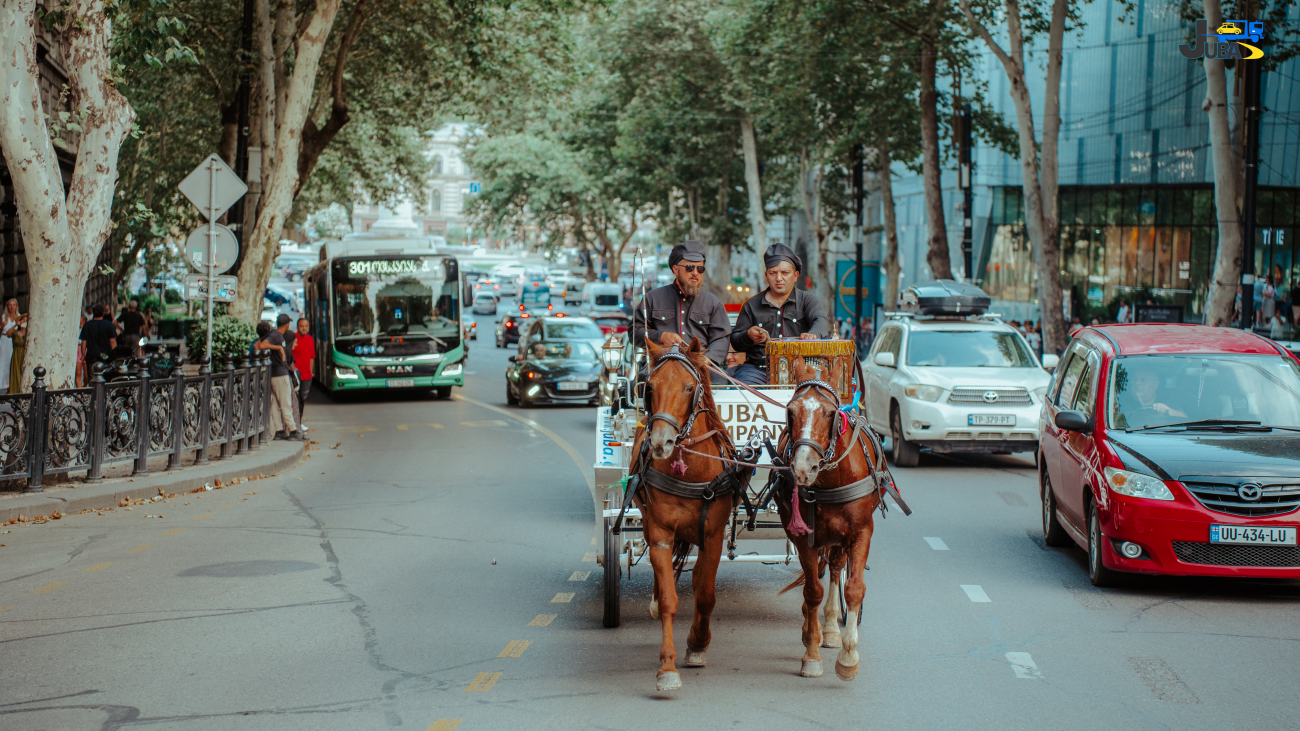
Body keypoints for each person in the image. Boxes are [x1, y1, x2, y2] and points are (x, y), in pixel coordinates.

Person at [728, 243, 829, 385]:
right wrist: (748, 336)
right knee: (741, 394)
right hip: (758, 370)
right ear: (766, 276)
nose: (779, 278)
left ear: (795, 276)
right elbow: (736, 341)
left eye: (785, 273)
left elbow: (821, 321)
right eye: (773, 273)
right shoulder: (751, 305)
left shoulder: (808, 300)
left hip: (801, 369)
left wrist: (813, 335)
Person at [630, 240, 730, 380]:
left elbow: (721, 338)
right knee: (638, 390)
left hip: (701, 367)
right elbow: (634, 332)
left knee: (721, 387)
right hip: (660, 366)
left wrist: (707, 359)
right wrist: (661, 336)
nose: (695, 273)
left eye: (700, 269)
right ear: (675, 270)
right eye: (689, 268)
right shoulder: (652, 299)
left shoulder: (713, 303)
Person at [255, 313, 301, 440]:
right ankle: (293, 431)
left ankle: (279, 431)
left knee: (274, 404)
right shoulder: (276, 335)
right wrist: (279, 348)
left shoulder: (271, 334)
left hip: (272, 373)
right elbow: (262, 346)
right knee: (286, 403)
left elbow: (256, 346)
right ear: (287, 325)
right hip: (280, 374)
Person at [1113, 363, 1187, 430]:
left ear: (1156, 384)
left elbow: (1185, 419)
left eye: (1143, 380)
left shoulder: (1168, 402)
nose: (1137, 383)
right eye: (1135, 379)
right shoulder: (1120, 402)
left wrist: (1167, 410)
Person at [292, 318, 315, 430]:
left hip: (307, 376)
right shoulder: (293, 339)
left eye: (306, 326)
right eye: (301, 326)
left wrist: (310, 372)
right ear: (297, 327)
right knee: (296, 400)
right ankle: (296, 424)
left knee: (302, 399)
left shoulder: (310, 339)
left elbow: (312, 357)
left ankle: (299, 423)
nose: (304, 328)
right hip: (296, 375)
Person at [79, 304, 117, 369]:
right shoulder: (109, 324)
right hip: (106, 356)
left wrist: (83, 355)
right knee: (105, 376)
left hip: (91, 356)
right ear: (103, 313)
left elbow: (84, 341)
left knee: (92, 377)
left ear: (93, 313)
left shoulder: (87, 325)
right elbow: (112, 341)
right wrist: (115, 355)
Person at [8, 311, 27, 394]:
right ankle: (16, 394)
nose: (24, 322)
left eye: (26, 321)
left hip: (26, 356)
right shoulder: (16, 333)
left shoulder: (29, 334)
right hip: (16, 355)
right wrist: (16, 324)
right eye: (23, 320)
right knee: (16, 374)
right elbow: (8, 334)